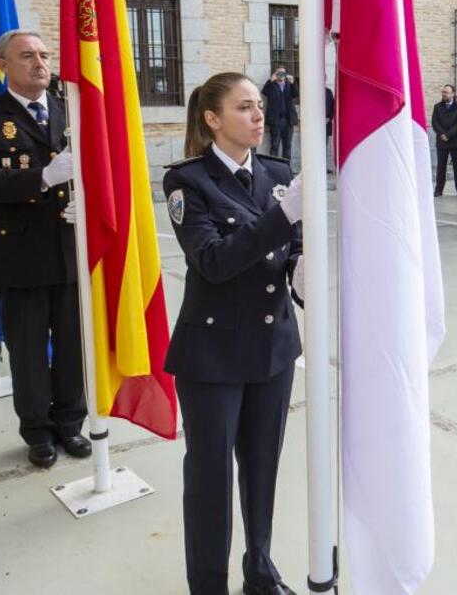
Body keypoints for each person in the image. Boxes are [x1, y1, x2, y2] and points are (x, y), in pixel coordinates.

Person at [162, 72, 302, 595]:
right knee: (211, 477)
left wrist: (304, 273)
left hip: (273, 347)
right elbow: (213, 261)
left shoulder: (278, 172)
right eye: (244, 107)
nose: (259, 116)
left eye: (260, 106)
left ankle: (260, 570)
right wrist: (282, 217)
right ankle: (209, 585)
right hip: (214, 354)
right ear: (213, 119)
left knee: (263, 464)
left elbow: (293, 252)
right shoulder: (187, 182)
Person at [0, 30, 89, 468]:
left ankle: (71, 422)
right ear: (3, 65)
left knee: (73, 345)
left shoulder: (69, 107)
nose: (40, 62)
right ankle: (37, 431)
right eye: (27, 56)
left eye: (44, 54)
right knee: (29, 349)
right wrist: (44, 178)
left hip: (68, 249)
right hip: (19, 255)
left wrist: (85, 207)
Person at [431, 85, 457, 197]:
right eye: (443, 92)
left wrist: (448, 135)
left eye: (446, 92)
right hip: (441, 142)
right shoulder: (437, 107)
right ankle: (438, 189)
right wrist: (442, 134)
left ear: (453, 94)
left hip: (455, 141)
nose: (444, 94)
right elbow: (434, 122)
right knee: (441, 167)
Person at [260, 67, 298, 160]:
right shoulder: (272, 85)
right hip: (276, 121)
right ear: (275, 75)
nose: (281, 75)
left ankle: (286, 168)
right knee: (274, 145)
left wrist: (293, 83)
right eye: (279, 73)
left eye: (283, 73)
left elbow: (296, 94)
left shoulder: (289, 85)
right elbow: (264, 92)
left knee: (287, 146)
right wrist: (270, 80)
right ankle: (274, 168)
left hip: (288, 121)